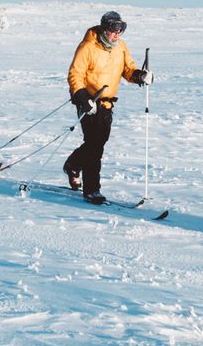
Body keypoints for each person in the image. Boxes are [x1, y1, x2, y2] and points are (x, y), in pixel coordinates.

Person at [61, 10, 149, 204]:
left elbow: (128, 69)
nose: (117, 33)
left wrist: (140, 76)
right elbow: (75, 74)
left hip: (107, 103)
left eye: (121, 29)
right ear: (104, 28)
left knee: (98, 142)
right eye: (113, 29)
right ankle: (92, 189)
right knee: (94, 146)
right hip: (89, 102)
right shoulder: (88, 47)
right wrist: (83, 99)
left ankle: (73, 164)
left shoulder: (121, 47)